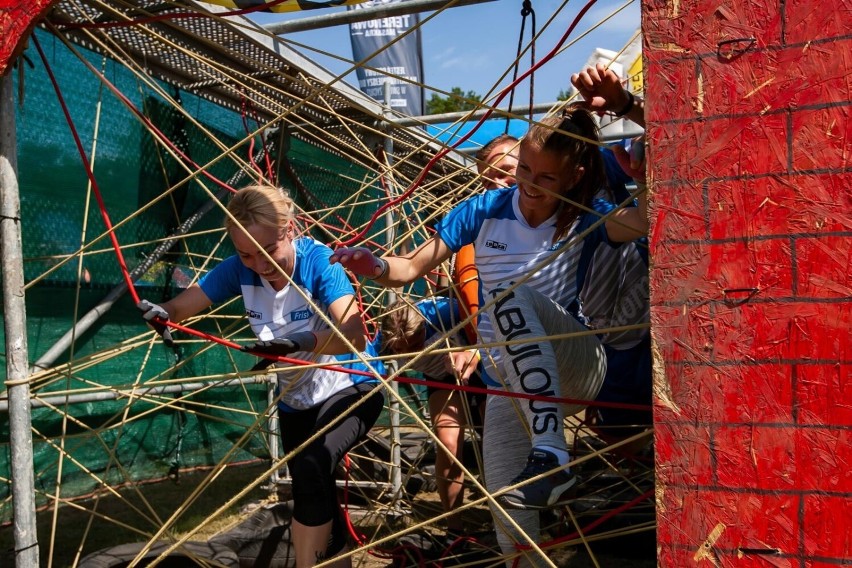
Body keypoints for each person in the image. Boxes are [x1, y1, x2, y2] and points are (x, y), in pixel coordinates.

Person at [331, 93, 648, 566]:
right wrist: (373, 264)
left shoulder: (585, 213)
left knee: (507, 296)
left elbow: (648, 220)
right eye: (523, 171)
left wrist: (635, 122)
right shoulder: (484, 209)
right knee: (510, 520)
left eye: (545, 178)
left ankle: (550, 452)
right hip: (509, 382)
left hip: (577, 361)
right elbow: (410, 267)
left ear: (574, 177)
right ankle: (544, 473)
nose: (529, 186)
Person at [138, 184, 385, 568]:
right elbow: (182, 307)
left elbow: (354, 337)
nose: (259, 264)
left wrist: (299, 341)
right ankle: (337, 559)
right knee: (311, 484)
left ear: (290, 229)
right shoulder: (240, 269)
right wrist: (161, 312)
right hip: (297, 398)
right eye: (245, 254)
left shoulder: (320, 261)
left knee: (312, 465)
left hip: (351, 384)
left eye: (267, 251)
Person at [379, 296, 482, 542]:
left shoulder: (447, 313)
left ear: (423, 328)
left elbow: (489, 326)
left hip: (481, 365)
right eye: (400, 349)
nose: (407, 354)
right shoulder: (383, 341)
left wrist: (468, 352)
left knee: (496, 440)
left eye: (413, 345)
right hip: (441, 377)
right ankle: (454, 530)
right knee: (447, 445)